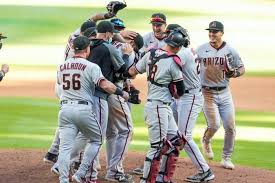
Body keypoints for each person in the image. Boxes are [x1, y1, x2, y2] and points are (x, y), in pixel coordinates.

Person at [56, 36, 129, 183]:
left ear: (73, 48)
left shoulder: (61, 66)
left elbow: (60, 84)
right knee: (96, 140)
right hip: (83, 109)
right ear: (87, 49)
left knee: (64, 148)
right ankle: (80, 173)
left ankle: (63, 179)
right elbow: (105, 85)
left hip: (64, 110)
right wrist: (122, 93)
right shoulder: (91, 67)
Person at [126, 29, 187, 183]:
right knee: (157, 147)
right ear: (178, 47)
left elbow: (133, 70)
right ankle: (146, 181)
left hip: (159, 106)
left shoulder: (151, 54)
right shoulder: (174, 62)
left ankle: (162, 178)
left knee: (176, 142)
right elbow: (180, 92)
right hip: (158, 108)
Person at [167, 24, 215, 182]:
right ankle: (164, 167)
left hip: (190, 97)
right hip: (182, 97)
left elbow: (166, 65)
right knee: (171, 132)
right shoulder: (186, 51)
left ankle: (205, 170)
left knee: (183, 136)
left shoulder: (183, 54)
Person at [196, 21, 245, 170]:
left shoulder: (230, 50)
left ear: (221, 33)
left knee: (230, 127)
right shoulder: (201, 49)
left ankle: (226, 158)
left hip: (225, 92)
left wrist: (234, 73)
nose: (211, 34)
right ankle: (205, 140)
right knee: (214, 125)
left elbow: (241, 68)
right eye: (210, 32)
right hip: (207, 93)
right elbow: (191, 66)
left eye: (215, 32)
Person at [105, 33, 144, 182]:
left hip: (101, 94)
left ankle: (110, 167)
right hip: (115, 92)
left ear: (132, 42)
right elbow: (124, 72)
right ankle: (114, 171)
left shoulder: (109, 45)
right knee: (127, 130)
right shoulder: (129, 52)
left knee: (111, 132)